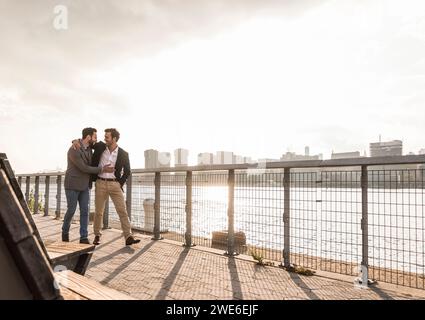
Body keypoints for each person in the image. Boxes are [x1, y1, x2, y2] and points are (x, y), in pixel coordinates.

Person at [73, 128, 140, 246]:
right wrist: (74, 141)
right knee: (99, 212)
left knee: (122, 211)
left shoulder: (123, 153)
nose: (104, 139)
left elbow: (127, 171)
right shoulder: (100, 147)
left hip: (115, 185)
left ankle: (128, 236)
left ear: (114, 139)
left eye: (107, 137)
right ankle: (97, 235)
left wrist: (120, 183)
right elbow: (85, 142)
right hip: (100, 183)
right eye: (105, 137)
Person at [62, 127, 114, 244]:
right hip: (72, 184)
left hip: (85, 185)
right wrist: (102, 169)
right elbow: (84, 168)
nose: (96, 139)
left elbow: (101, 145)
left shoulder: (90, 147)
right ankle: (65, 232)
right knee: (71, 210)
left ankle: (84, 237)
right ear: (89, 137)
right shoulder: (74, 149)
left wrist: (75, 139)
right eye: (94, 136)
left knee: (85, 211)